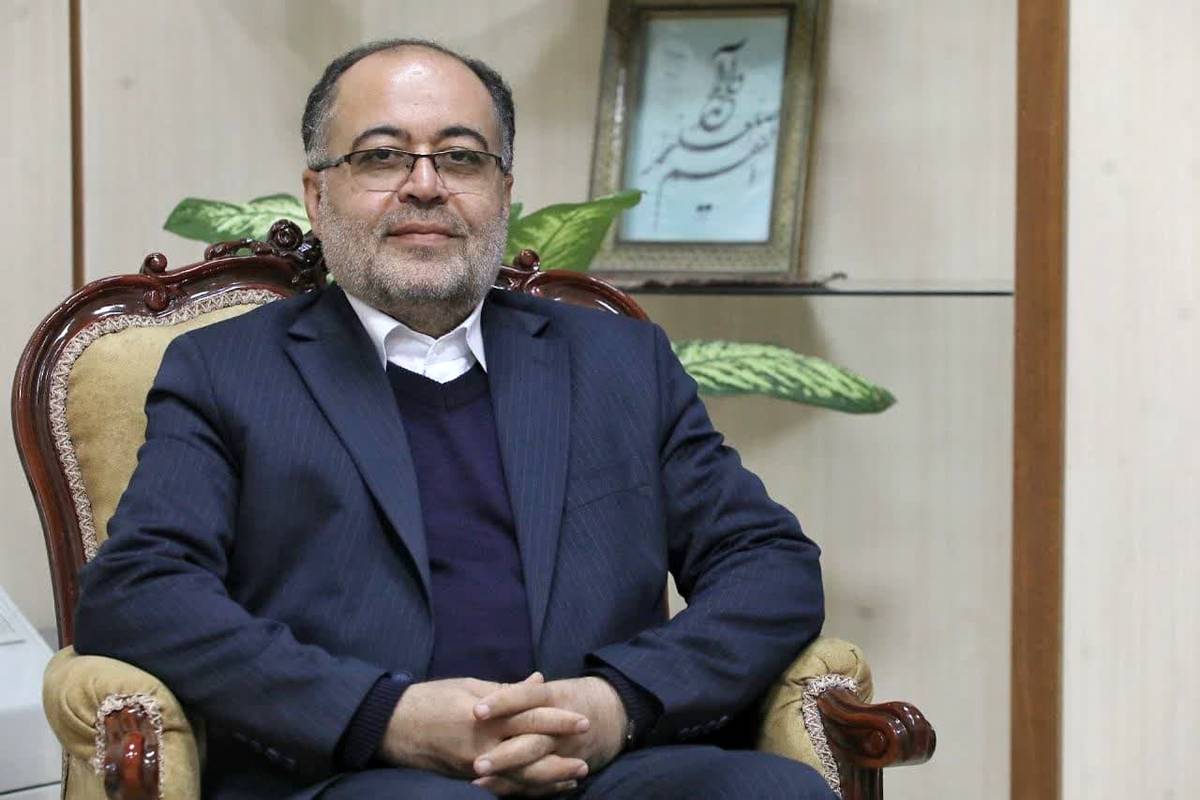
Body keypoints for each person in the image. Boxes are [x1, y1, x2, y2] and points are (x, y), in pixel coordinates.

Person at [72, 38, 832, 800]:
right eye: (381, 157)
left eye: (462, 158)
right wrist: (383, 716)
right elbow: (138, 590)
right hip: (360, 776)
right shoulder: (227, 372)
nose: (425, 186)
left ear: (503, 192)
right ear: (317, 195)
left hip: (605, 768)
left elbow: (770, 564)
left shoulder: (617, 363)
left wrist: (617, 703)